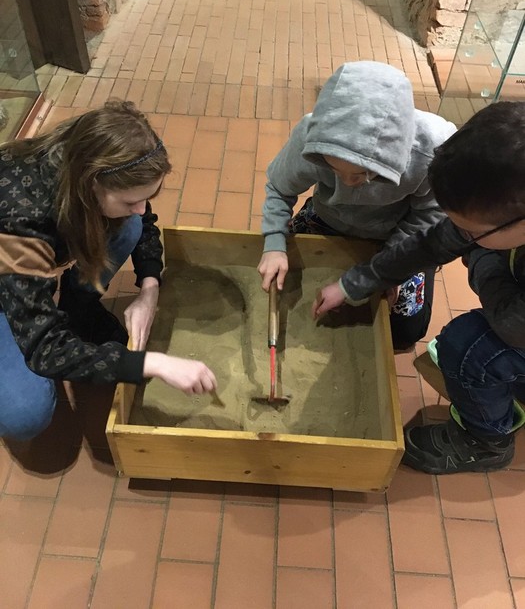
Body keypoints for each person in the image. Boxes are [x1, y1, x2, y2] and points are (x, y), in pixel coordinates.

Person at [313, 100, 525, 474]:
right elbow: (431, 245)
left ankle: (486, 442)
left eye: (472, 231)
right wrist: (352, 285)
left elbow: (513, 323)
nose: (463, 237)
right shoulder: (504, 205)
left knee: (468, 347)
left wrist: (482, 259)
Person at [0, 100, 217, 441]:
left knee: (129, 225)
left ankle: (78, 311)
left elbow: (143, 218)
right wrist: (152, 364)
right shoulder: (22, 223)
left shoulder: (90, 152)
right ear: (92, 186)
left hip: (32, 260)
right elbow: (44, 349)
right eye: (130, 201)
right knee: (26, 415)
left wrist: (149, 289)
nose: (142, 208)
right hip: (6, 288)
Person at [257, 61, 456, 349]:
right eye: (335, 170)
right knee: (283, 282)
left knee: (405, 331)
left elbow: (428, 217)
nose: (349, 184)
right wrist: (274, 242)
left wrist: (390, 264)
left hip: (395, 233)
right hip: (327, 218)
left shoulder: (433, 151)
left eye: (363, 175)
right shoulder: (310, 136)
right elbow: (279, 187)